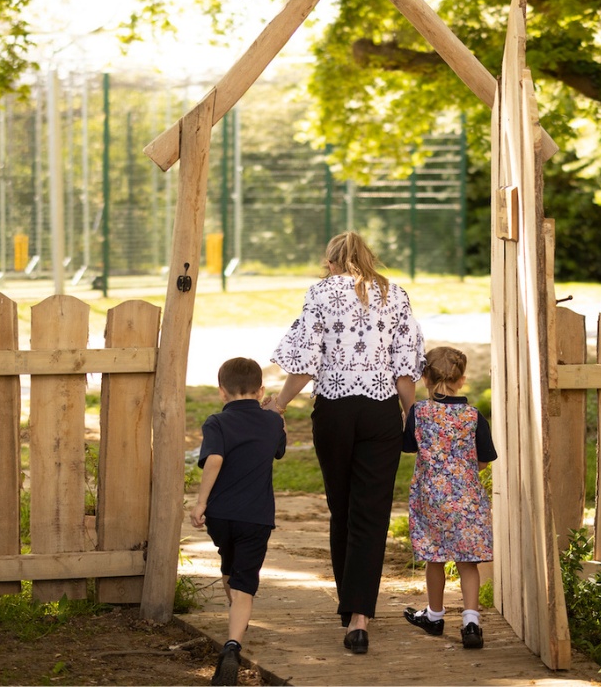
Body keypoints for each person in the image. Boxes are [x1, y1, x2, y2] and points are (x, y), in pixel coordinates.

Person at [264, 231, 424, 654]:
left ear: (331, 263)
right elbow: (404, 365)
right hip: (380, 410)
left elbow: (306, 359)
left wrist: (279, 404)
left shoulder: (319, 294)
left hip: (334, 409)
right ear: (368, 259)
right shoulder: (395, 294)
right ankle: (359, 617)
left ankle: (348, 603)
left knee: (342, 507)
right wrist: (411, 413)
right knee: (371, 512)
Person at [191, 356, 288, 686]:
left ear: (222, 392)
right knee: (244, 584)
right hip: (256, 517)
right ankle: (232, 646)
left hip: (221, 515)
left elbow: (214, 459)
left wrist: (201, 502)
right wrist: (276, 415)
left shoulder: (216, 423)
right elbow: (278, 449)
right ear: (261, 391)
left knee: (228, 566)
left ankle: (237, 619)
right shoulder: (272, 423)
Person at [401, 345, 497, 650]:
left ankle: (435, 614)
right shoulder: (473, 416)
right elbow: (484, 459)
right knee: (468, 562)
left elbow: (409, 447)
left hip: (431, 499)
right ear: (462, 380)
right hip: (467, 500)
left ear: (425, 378)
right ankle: (471, 623)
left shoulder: (420, 412)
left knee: (435, 558)